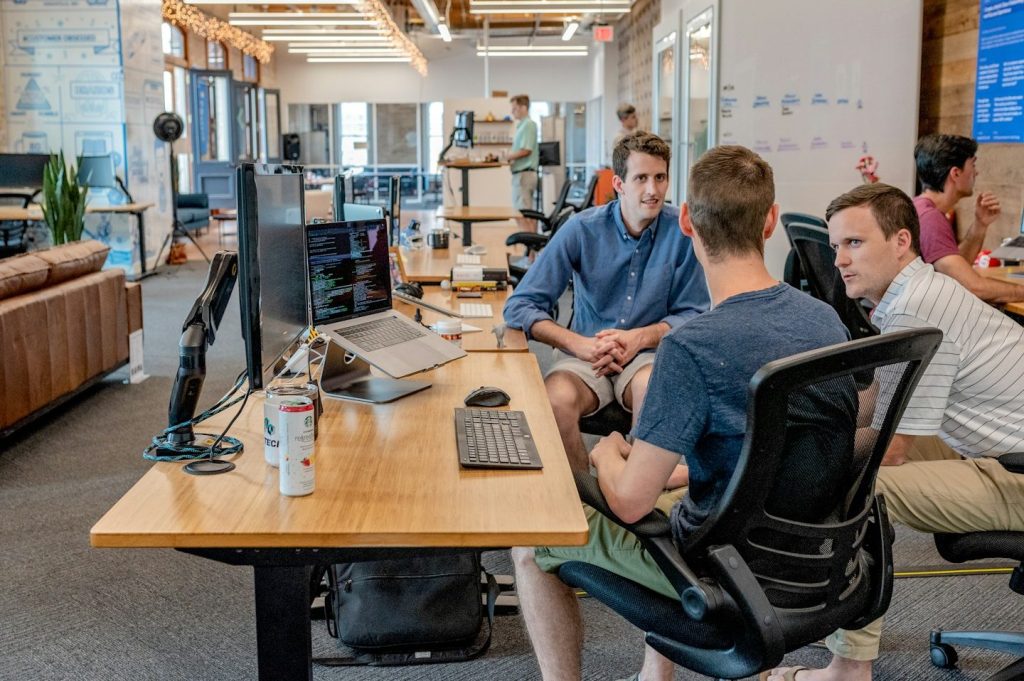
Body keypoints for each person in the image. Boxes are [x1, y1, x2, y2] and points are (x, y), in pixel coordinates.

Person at [512, 145, 855, 681]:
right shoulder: (826, 321)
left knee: (530, 545)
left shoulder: (691, 349)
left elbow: (628, 503)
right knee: (672, 487)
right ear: (770, 221)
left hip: (721, 570)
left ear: (689, 222)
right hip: (814, 558)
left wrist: (608, 452)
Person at [766, 183, 1024, 681]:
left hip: (1014, 473)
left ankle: (849, 667)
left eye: (855, 243)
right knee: (845, 456)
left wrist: (788, 456)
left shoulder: (915, 308)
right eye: (836, 244)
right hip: (997, 449)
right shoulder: (916, 293)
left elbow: (891, 447)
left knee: (864, 488)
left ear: (902, 241)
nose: (839, 259)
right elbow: (877, 403)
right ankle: (842, 608)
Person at [503, 131, 709, 474]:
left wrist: (639, 338)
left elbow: (696, 313)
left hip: (647, 356)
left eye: (660, 178)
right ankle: (586, 497)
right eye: (641, 178)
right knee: (555, 400)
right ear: (619, 183)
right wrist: (578, 344)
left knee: (653, 392)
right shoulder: (581, 230)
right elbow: (520, 305)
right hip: (585, 353)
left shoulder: (683, 232)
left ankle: (634, 495)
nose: (653, 190)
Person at [913, 133, 1024, 303]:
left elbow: (957, 270)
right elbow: (973, 286)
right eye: (973, 165)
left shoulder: (923, 208)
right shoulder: (930, 219)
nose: (976, 172)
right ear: (956, 173)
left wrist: (980, 225)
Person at [508, 94, 539, 231]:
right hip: (521, 175)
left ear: (523, 107)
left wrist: (508, 157)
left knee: (522, 214)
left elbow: (527, 150)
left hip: (524, 175)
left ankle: (531, 250)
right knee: (524, 214)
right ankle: (531, 251)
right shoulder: (522, 126)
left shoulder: (528, 125)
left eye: (514, 109)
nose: (512, 112)